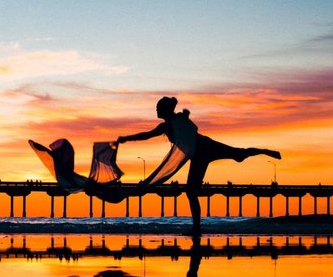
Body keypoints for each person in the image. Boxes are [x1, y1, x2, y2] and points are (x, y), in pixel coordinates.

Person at [117, 96, 281, 234]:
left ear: (165, 110)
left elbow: (155, 133)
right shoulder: (168, 124)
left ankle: (265, 151)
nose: (156, 111)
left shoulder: (174, 121)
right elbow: (148, 135)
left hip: (205, 147)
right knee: (191, 191)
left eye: (158, 108)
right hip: (198, 155)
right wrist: (127, 139)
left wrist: (126, 138)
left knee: (239, 154)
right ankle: (196, 227)